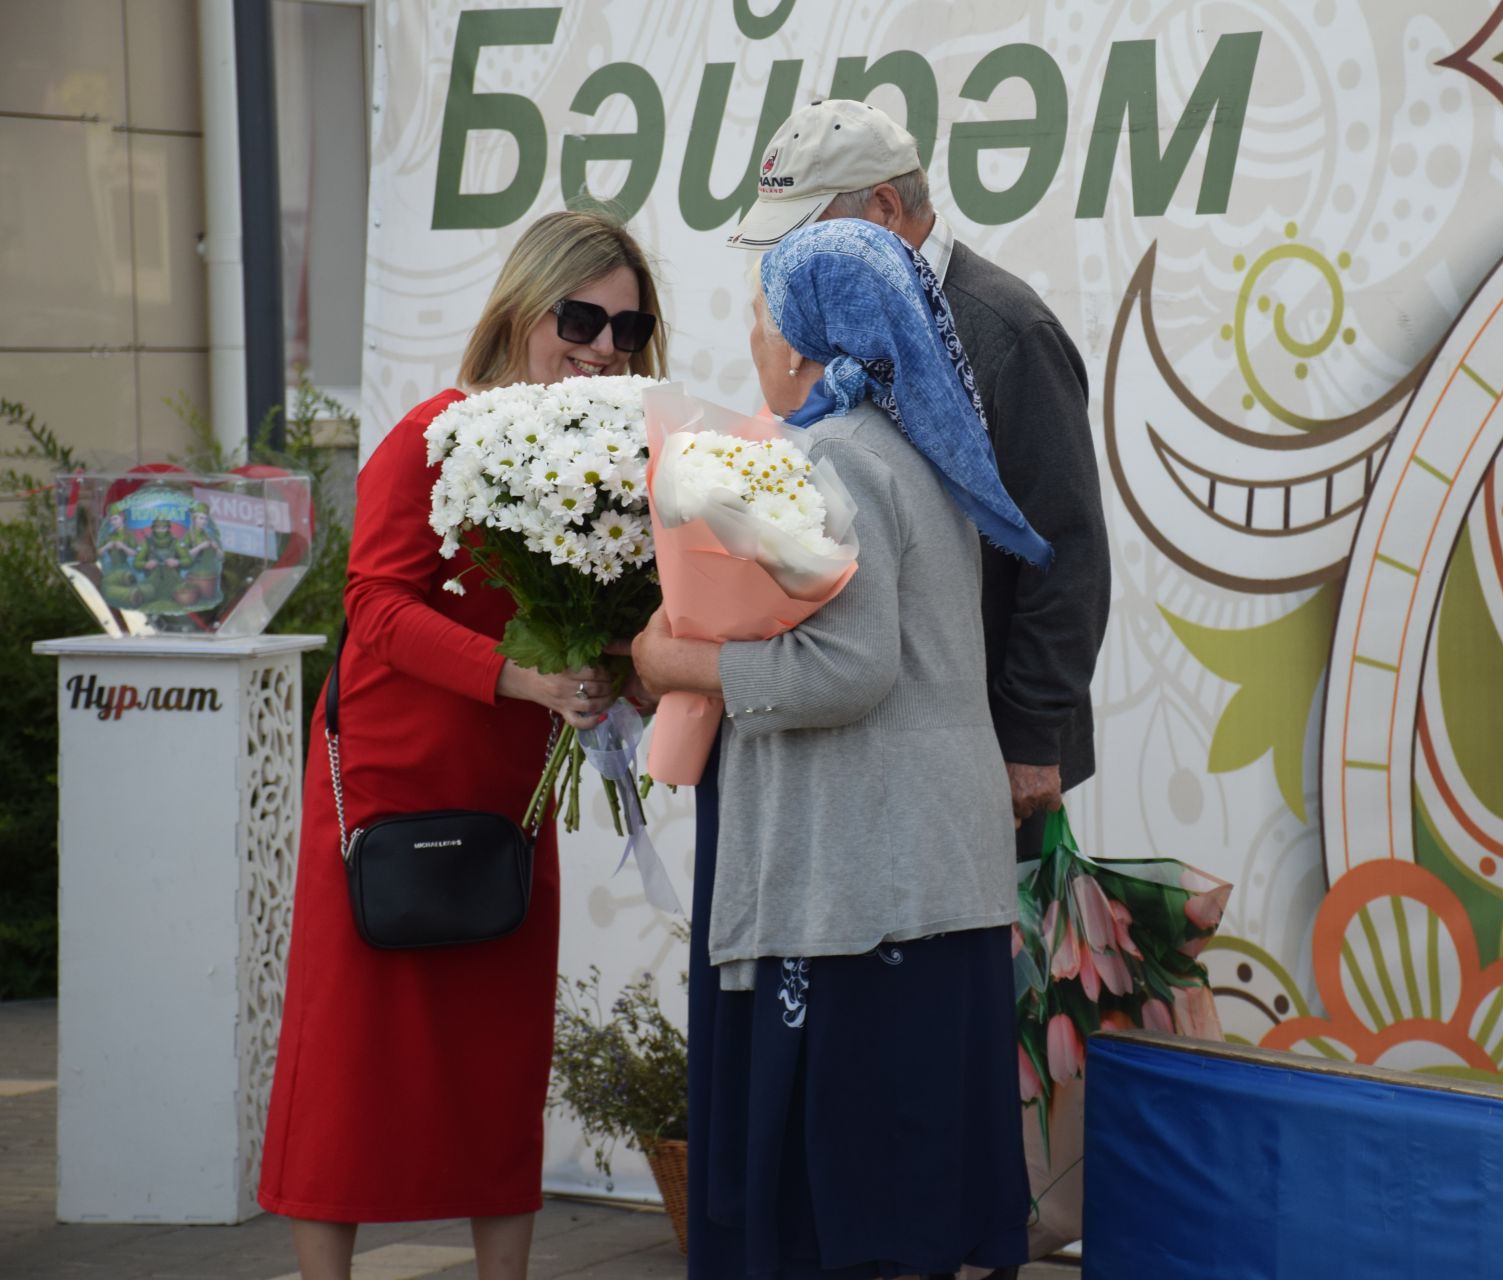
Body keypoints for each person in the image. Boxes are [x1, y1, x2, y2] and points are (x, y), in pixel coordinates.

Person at [257, 209, 668, 1280]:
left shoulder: (617, 466)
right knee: (351, 1059)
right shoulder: (435, 436)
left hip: (510, 788)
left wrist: (624, 668)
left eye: (628, 327)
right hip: (386, 787)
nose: (602, 345)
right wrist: (526, 676)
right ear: (526, 306)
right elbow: (375, 607)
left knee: (498, 1058)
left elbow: (613, 615)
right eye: (582, 315)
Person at [630, 217, 1037, 1278]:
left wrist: (682, 667)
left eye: (762, 319)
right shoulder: (922, 450)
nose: (755, 342)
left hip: (861, 881)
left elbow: (851, 667)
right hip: (934, 867)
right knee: (918, 1187)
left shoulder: (832, 457)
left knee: (854, 1209)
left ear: (807, 344)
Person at [728, 98, 1110, 859]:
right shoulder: (837, 330)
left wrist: (1030, 735)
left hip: (990, 751)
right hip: (883, 736)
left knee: (992, 971)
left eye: (809, 233)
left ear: (885, 207)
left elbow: (1066, 548)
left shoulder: (1006, 330)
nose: (792, 264)